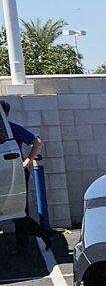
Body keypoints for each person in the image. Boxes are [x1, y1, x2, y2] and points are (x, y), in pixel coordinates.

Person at [2, 100, 49, 253]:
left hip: (16, 172)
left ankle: (25, 244)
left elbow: (37, 142)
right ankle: (43, 233)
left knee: (18, 210)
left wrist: (28, 160)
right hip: (8, 171)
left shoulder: (11, 129)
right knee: (14, 210)